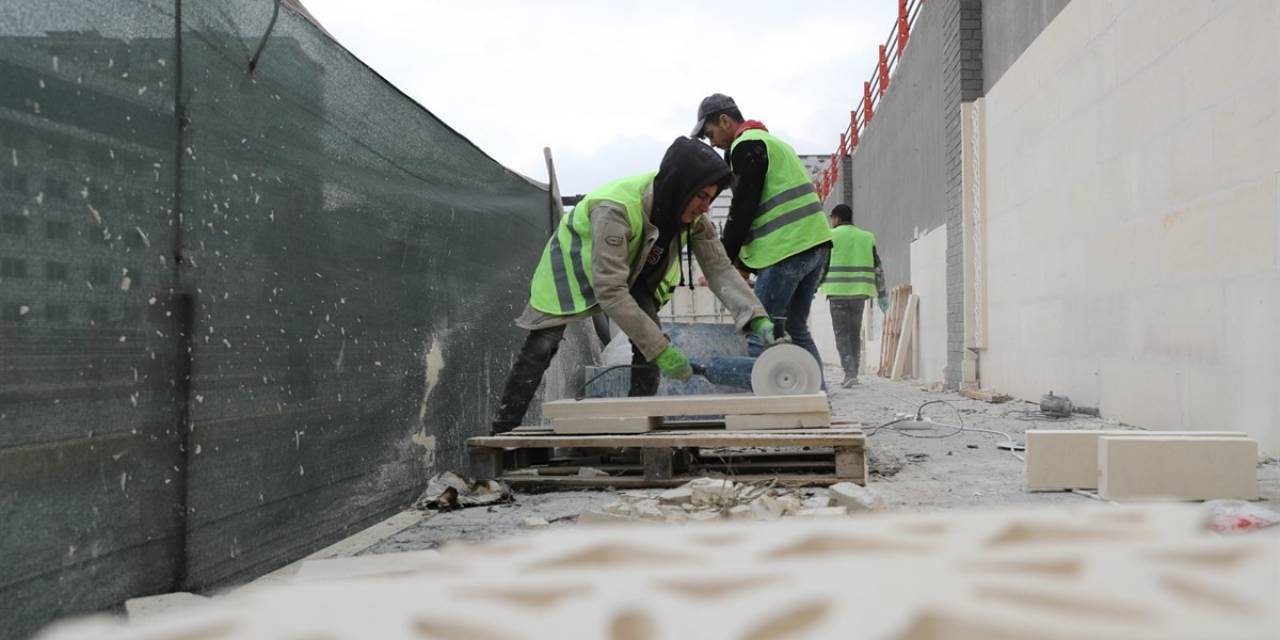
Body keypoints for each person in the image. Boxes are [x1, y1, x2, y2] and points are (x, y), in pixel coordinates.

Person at [491, 137, 778, 435]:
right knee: (542, 346)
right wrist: (662, 350)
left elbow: (719, 269)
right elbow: (610, 290)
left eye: (712, 198)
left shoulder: (692, 217)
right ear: (682, 185)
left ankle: (635, 429)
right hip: (574, 266)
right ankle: (502, 432)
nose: (705, 207)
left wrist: (756, 318)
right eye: (702, 196)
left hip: (631, 270)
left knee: (649, 342)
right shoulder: (616, 209)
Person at [692, 93, 832, 375]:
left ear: (725, 120)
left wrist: (724, 260)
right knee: (794, 327)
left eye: (711, 133)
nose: (712, 143)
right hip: (815, 247)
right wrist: (742, 265)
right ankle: (815, 398)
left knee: (760, 328)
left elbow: (743, 209)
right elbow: (762, 213)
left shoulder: (747, 146)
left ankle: (765, 404)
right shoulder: (775, 145)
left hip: (788, 251)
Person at [820, 204, 887, 387]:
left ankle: (849, 373)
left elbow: (822, 265)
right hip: (859, 294)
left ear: (837, 218)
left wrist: (812, 287)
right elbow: (877, 267)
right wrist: (882, 293)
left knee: (842, 335)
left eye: (832, 218)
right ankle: (854, 373)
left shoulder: (829, 235)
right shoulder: (867, 237)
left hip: (837, 294)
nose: (831, 221)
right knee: (854, 334)